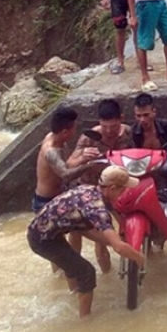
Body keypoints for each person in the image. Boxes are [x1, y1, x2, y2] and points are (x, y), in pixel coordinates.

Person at [27, 166, 145, 318]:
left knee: (73, 265)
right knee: (86, 272)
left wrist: (113, 241)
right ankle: (84, 320)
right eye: (123, 189)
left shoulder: (90, 190)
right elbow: (119, 248)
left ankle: (74, 298)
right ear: (112, 188)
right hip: (42, 240)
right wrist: (139, 257)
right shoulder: (98, 209)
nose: (125, 192)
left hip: (45, 231)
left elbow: (82, 228)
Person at [68, 98, 132, 273]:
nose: (109, 131)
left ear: (122, 118)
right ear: (99, 123)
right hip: (93, 192)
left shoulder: (129, 133)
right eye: (105, 127)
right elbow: (70, 164)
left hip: (117, 189)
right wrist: (82, 158)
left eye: (114, 126)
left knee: (130, 226)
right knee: (101, 237)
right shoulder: (88, 138)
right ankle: (107, 275)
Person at [32, 106, 101, 214]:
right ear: (65, 132)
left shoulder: (55, 137)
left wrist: (83, 158)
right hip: (46, 202)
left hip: (60, 196)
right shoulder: (51, 151)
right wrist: (89, 165)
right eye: (74, 128)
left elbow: (66, 165)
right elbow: (66, 176)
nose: (75, 131)